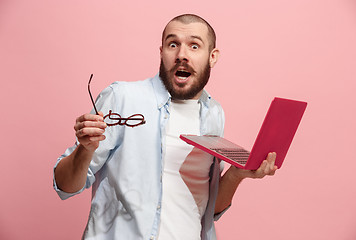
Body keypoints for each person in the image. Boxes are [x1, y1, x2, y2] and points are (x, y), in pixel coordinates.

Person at [53, 14, 277, 240]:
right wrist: (85, 149)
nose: (182, 55)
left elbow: (207, 210)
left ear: (212, 57)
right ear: (161, 52)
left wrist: (237, 174)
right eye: (173, 44)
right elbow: (65, 186)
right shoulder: (122, 97)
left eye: (194, 45)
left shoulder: (214, 113)